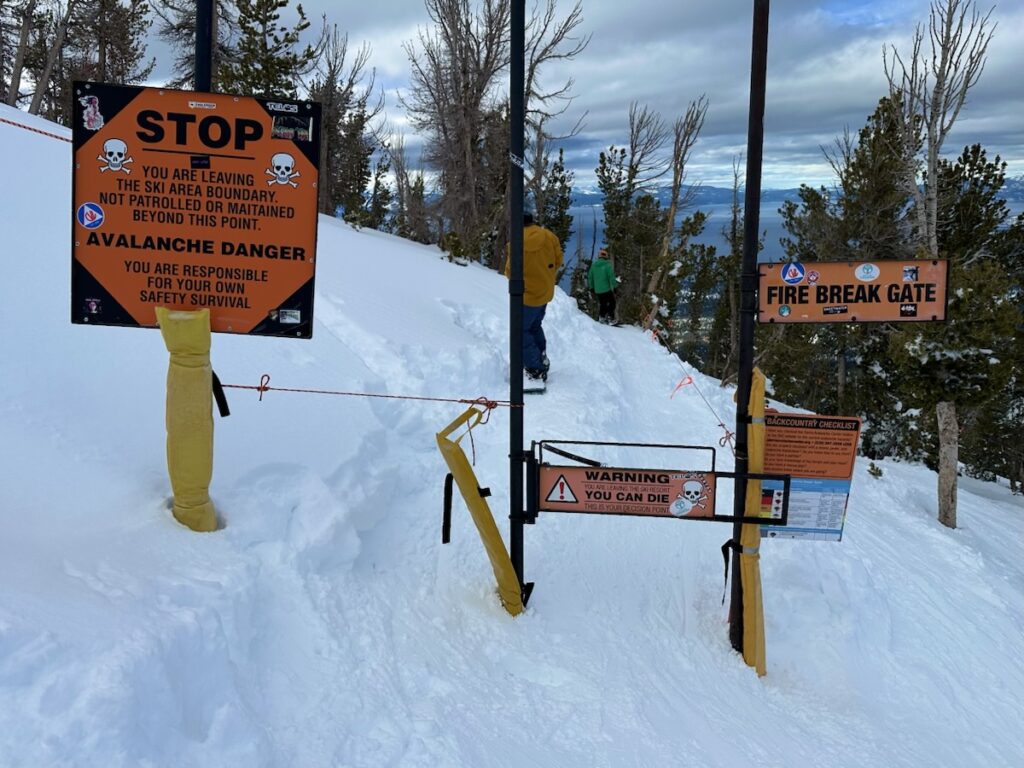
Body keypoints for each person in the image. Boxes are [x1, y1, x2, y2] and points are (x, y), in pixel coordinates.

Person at [505, 210, 563, 381]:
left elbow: (510, 271)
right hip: (545, 292)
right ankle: (541, 356)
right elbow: (558, 260)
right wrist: (544, 275)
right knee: (534, 326)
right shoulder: (549, 236)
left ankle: (535, 366)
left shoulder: (516, 241)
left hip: (526, 295)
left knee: (521, 331)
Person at [588, 247, 617, 324]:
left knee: (603, 303)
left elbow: (590, 277)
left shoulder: (593, 266)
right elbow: (611, 277)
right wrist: (615, 286)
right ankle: (610, 318)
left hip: (597, 290)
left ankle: (602, 317)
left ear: (599, 256)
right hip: (606, 289)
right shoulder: (607, 265)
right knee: (612, 303)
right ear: (606, 256)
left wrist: (591, 287)